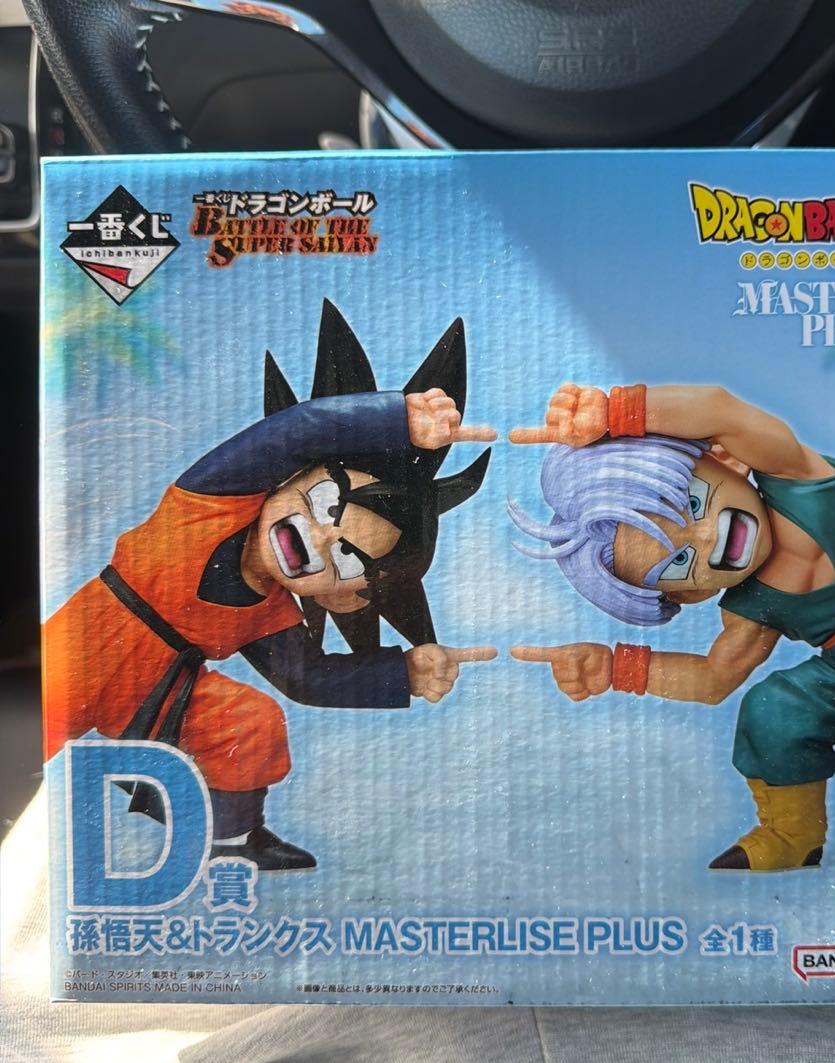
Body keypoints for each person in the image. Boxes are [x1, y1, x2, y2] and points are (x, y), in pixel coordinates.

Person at [42, 300, 497, 871]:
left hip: (161, 689)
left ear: (343, 596)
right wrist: (395, 419)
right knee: (34, 720)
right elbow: (296, 430)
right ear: (290, 477)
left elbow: (307, 679)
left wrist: (401, 672)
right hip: (83, 649)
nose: (320, 538)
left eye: (347, 559)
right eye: (325, 503)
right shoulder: (209, 500)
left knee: (250, 720)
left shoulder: (271, 614)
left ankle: (232, 837)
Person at [508, 382, 835, 871]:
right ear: (691, 594)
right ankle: (793, 836)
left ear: (725, 460)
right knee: (774, 711)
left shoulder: (797, 477)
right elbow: (714, 679)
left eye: (693, 504)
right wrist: (615, 669)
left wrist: (615, 412)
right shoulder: (751, 607)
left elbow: (720, 411)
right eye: (680, 562)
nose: (708, 538)